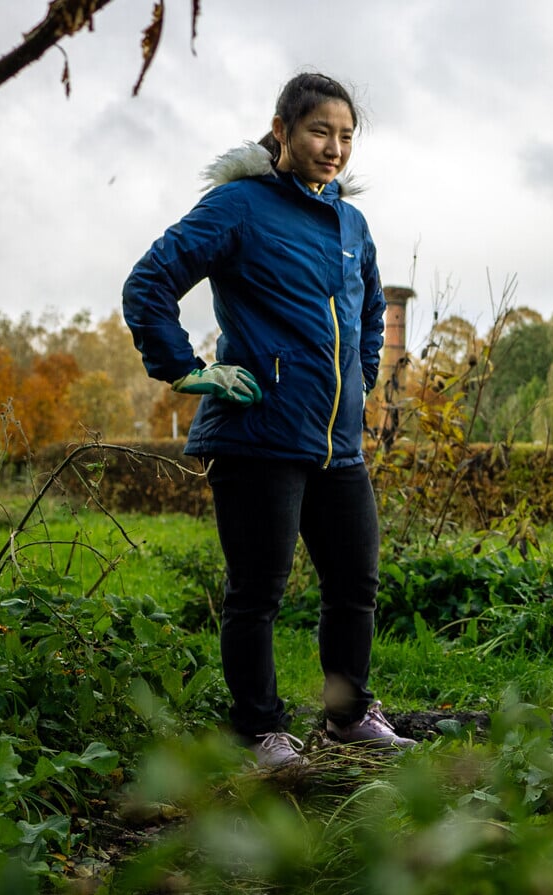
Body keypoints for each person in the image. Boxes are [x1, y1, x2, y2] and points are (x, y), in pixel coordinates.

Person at [123, 73, 411, 770]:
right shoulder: (239, 207)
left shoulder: (351, 222)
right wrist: (187, 369)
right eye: (320, 132)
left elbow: (370, 310)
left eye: (346, 136)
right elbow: (149, 282)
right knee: (257, 593)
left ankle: (346, 718)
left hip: (337, 445)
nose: (334, 148)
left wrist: (362, 377)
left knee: (355, 586)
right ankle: (259, 733)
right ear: (280, 130)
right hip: (257, 438)